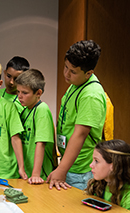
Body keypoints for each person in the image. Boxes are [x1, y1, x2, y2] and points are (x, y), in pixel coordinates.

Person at [47, 40, 107, 190]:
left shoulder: (90, 95)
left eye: (73, 71)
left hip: (81, 171)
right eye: (66, 67)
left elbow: (80, 134)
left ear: (89, 73)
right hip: (69, 165)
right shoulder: (76, 84)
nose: (66, 74)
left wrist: (61, 170)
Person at [15, 69, 56, 184]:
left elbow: (41, 143)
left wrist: (36, 174)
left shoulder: (42, 109)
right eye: (18, 92)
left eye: (24, 93)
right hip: (27, 174)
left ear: (38, 93)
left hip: (40, 176)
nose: (19, 96)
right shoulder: (26, 110)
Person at [85, 139, 130, 210]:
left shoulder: (128, 197)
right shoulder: (99, 185)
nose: (91, 165)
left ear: (114, 166)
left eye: (96, 161)